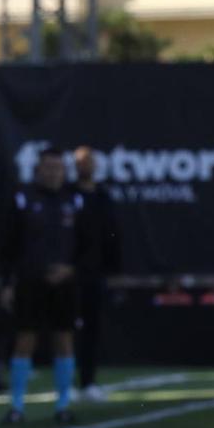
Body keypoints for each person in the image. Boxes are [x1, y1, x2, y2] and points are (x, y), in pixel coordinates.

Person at [0, 147, 93, 425]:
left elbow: (88, 244)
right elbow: (7, 245)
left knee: (64, 338)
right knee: (25, 338)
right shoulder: (22, 199)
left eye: (58, 167)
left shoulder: (75, 200)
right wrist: (8, 282)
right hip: (30, 281)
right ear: (37, 170)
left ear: (64, 171)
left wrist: (70, 268)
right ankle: (17, 406)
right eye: (48, 167)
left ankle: (63, 404)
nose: (53, 172)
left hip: (64, 282)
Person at [69, 146, 122, 403]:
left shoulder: (103, 196)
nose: (85, 166)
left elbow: (112, 235)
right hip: (69, 274)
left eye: (88, 162)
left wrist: (112, 269)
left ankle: (88, 381)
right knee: (66, 330)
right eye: (80, 162)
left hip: (95, 273)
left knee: (92, 328)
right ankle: (66, 382)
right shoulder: (67, 195)